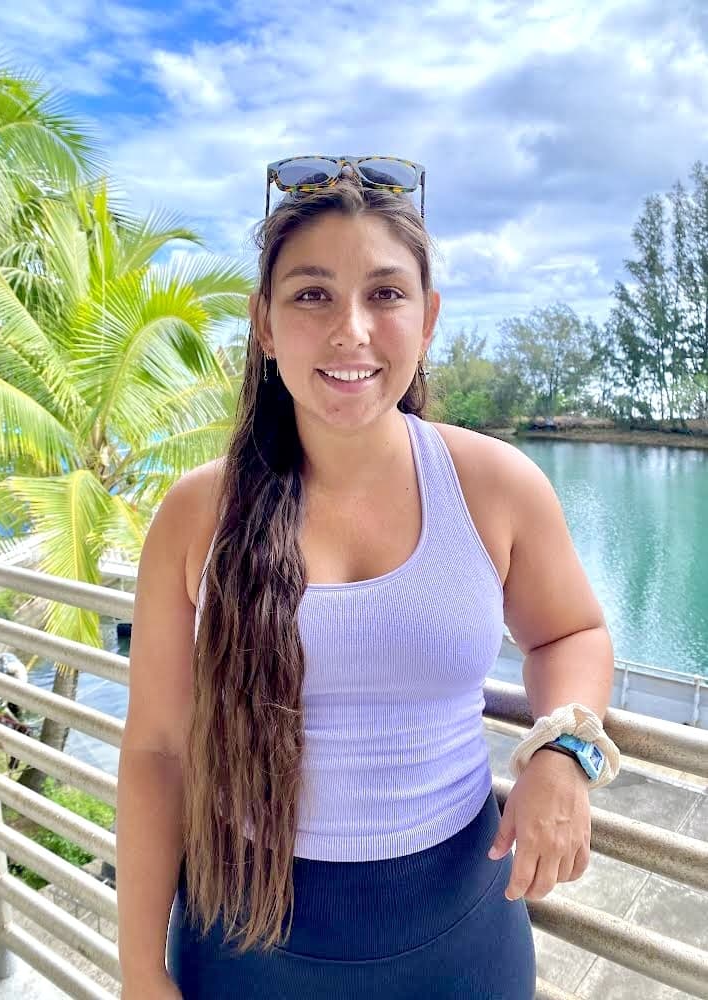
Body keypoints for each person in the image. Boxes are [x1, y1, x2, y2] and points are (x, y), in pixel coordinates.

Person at [116, 156, 621, 1000]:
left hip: (462, 943)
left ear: (426, 321)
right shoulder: (197, 515)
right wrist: (139, 969)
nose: (351, 328)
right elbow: (159, 753)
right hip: (245, 949)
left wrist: (564, 750)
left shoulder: (495, 487)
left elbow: (572, 631)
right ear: (266, 327)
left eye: (385, 294)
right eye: (311, 294)